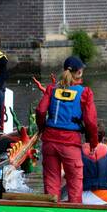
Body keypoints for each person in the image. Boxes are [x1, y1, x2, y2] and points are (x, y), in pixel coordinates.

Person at [34, 56, 99, 203]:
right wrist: (93, 143)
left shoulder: (51, 89)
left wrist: (42, 129)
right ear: (80, 72)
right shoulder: (85, 93)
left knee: (51, 179)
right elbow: (90, 122)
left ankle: (51, 211)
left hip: (49, 142)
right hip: (70, 143)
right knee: (74, 181)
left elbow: (40, 111)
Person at [81, 133, 107, 204]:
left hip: (82, 197)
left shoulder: (78, 150)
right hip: (106, 198)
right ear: (103, 138)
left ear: (85, 137)